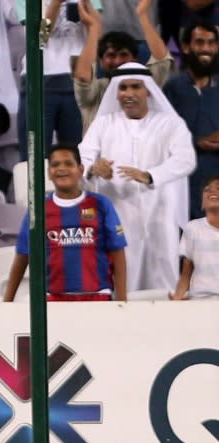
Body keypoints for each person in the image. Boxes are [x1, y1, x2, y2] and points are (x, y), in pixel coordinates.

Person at [80, 62, 196, 291]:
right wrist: (93, 168)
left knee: (163, 279)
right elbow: (83, 157)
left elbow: (186, 159)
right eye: (123, 88)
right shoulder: (103, 124)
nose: (129, 94)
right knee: (121, 280)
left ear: (148, 91)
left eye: (136, 87)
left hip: (160, 212)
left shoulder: (170, 123)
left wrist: (150, 175)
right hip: (117, 212)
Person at [3, 144, 127, 301]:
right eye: (55, 165)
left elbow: (118, 253)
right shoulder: (38, 209)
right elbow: (23, 256)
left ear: (81, 170)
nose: (62, 169)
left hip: (98, 297)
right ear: (49, 173)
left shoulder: (101, 204)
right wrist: (7, 301)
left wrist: (122, 301)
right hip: (53, 300)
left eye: (68, 163)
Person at [16, 0, 101, 161]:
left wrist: (87, 6)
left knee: (80, 156)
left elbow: (97, 31)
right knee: (34, 158)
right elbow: (39, 39)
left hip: (78, 80)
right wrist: (55, 4)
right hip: (39, 80)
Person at [73, 0, 172, 133]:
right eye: (111, 56)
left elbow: (162, 60)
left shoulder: (146, 87)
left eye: (123, 55)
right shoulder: (97, 91)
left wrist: (142, 15)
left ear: (135, 59)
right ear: (101, 62)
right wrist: (94, 27)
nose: (118, 61)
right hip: (102, 153)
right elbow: (83, 78)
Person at [164, 20, 219, 220]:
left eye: (211, 43)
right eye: (200, 42)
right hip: (183, 184)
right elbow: (161, 138)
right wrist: (197, 142)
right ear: (186, 47)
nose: (206, 48)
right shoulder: (171, 89)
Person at [170, 175, 219, 300]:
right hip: (200, 300)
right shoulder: (192, 228)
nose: (212, 191)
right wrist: (176, 298)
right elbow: (186, 274)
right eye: (207, 189)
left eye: (218, 188)